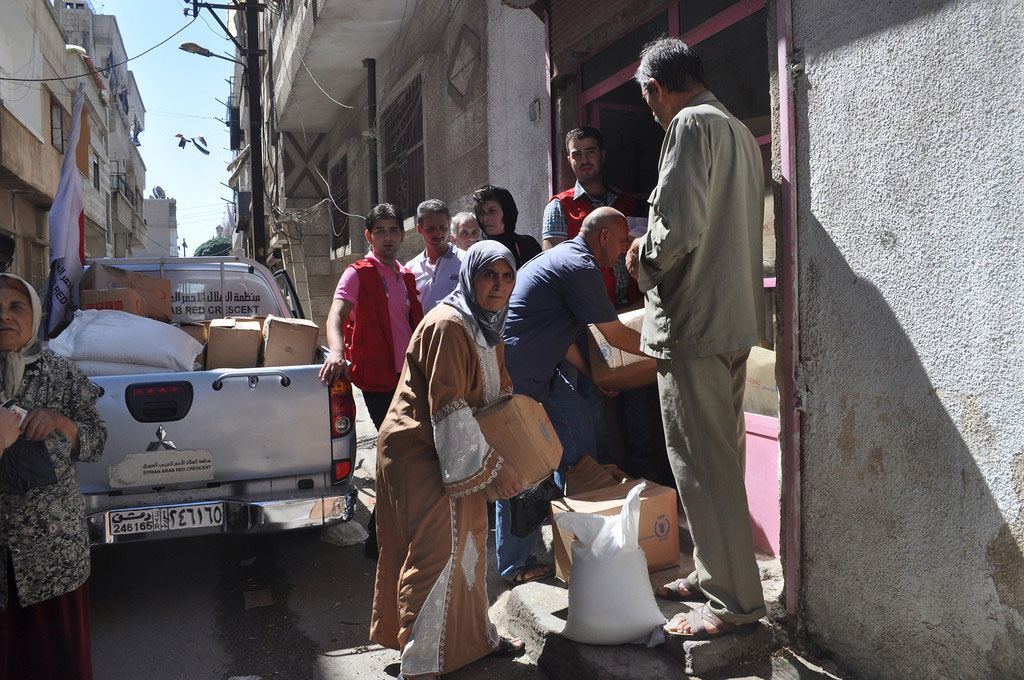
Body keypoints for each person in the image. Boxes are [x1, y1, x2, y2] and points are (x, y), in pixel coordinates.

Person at [626, 37, 767, 638]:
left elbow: (676, 228)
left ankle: (733, 602)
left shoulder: (686, 124)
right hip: (732, 322)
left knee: (703, 466)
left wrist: (641, 260)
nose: (652, 111)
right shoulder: (735, 129)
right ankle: (715, 573)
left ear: (656, 88)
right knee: (719, 461)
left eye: (648, 100)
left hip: (694, 324)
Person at [370, 241, 526, 680]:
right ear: (470, 277)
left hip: (456, 448)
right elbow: (450, 408)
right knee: (437, 552)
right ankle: (421, 664)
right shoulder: (449, 325)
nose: (498, 285)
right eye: (489, 275)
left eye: (506, 276)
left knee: (470, 546)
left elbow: (496, 395)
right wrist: (495, 467)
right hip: (419, 450)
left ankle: (472, 642)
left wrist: (518, 446)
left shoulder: (488, 326)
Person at [496, 207, 645, 583]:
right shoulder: (579, 267)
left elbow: (561, 339)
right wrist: (666, 350)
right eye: (624, 240)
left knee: (577, 429)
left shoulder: (565, 259)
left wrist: (594, 376)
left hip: (541, 370)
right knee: (524, 468)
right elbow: (614, 334)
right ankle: (514, 565)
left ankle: (581, 525)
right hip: (518, 376)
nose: (625, 249)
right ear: (605, 237)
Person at [0, 274, 108, 679]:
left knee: (58, 661)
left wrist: (63, 423)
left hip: (53, 553)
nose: (5, 317)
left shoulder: (62, 375)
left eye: (16, 307)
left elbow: (97, 440)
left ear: (34, 315)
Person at [320, 203, 424, 430]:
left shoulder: (407, 276)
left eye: (393, 230)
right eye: (380, 231)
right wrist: (337, 353)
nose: (387, 237)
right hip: (377, 377)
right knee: (391, 438)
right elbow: (335, 316)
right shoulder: (356, 273)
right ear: (369, 236)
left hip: (409, 375)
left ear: (402, 235)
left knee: (413, 440)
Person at [542, 126, 640, 306]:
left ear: (602, 155)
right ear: (570, 160)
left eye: (590, 151)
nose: (584, 159)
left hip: (634, 303)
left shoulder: (625, 200)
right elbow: (554, 269)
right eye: (577, 154)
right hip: (590, 312)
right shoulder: (559, 206)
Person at [405, 200, 463, 312]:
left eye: (443, 227)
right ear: (419, 229)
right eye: (431, 229)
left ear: (449, 225)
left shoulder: (466, 261)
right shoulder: (410, 269)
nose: (438, 234)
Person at [472, 185, 541, 269]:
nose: (485, 218)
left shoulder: (528, 246)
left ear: (507, 212)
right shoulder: (476, 251)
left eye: (492, 211)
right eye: (481, 212)